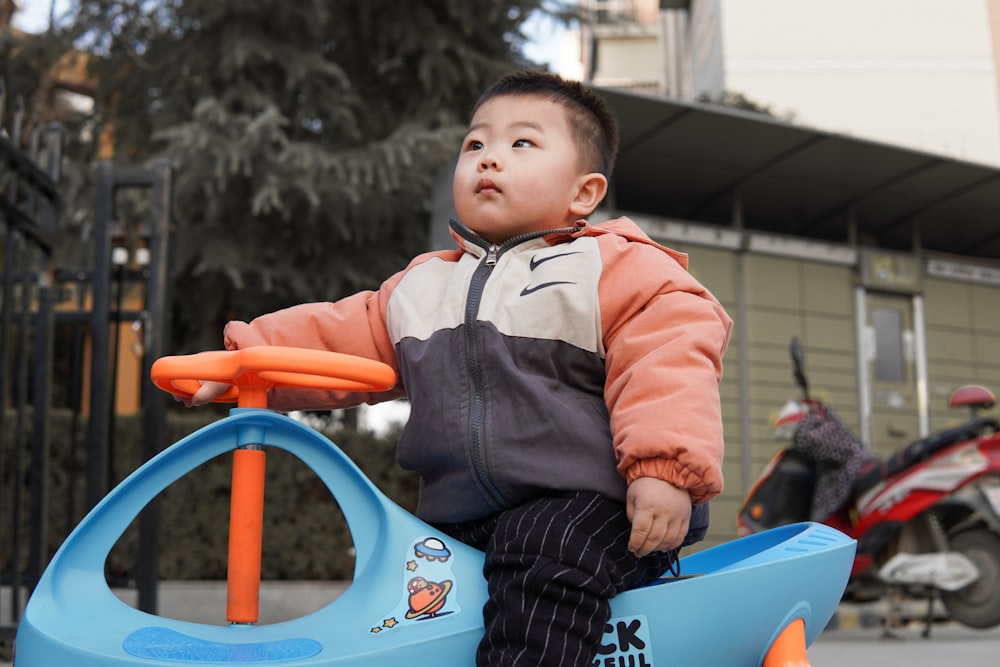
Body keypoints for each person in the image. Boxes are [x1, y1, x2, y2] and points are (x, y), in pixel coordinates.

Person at [189, 70, 733, 666]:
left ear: (584, 193)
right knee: (408, 588)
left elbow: (670, 363)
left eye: (521, 144)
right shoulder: (423, 286)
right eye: (475, 144)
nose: (489, 159)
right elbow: (336, 335)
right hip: (464, 519)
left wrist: (663, 470)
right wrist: (243, 361)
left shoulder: (614, 271)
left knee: (540, 550)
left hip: (596, 507)